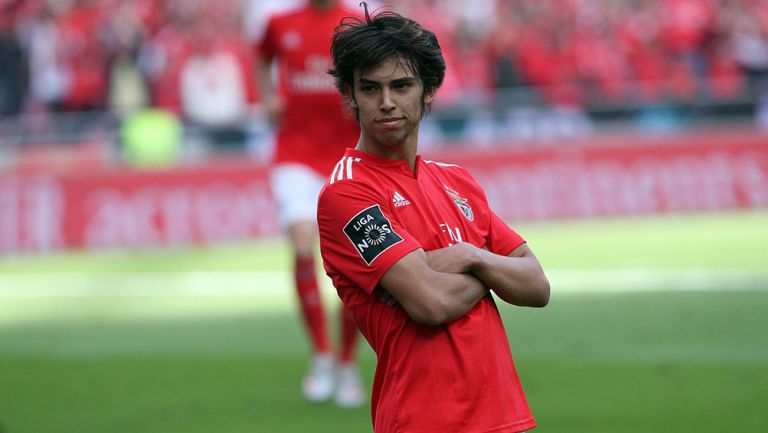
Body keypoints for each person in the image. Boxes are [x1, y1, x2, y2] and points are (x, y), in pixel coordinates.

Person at [317, 4, 550, 432]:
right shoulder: (346, 193)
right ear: (350, 95)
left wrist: (466, 256)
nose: (387, 103)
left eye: (401, 85)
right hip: (423, 420)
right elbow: (431, 303)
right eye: (370, 89)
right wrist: (490, 270)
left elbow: (536, 286)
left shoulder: (456, 181)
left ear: (429, 90)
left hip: (504, 417)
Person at [253, 0, 364, 408]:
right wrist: (266, 98)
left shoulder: (354, 21)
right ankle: (322, 354)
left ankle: (348, 360)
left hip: (348, 156)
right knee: (303, 245)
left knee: (357, 262)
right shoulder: (280, 23)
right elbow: (261, 59)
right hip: (295, 154)